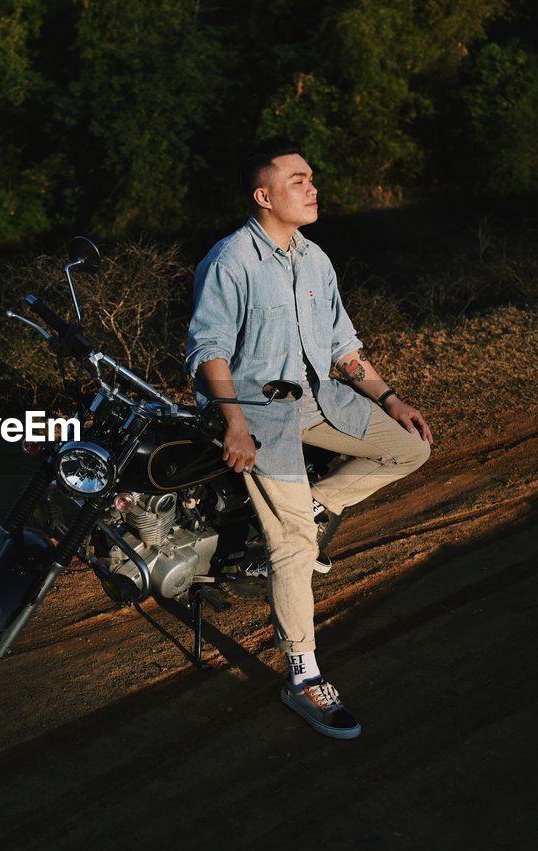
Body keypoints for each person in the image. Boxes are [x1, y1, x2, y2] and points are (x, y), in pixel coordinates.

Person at [185, 137, 432, 739]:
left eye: (312, 178)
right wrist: (235, 423)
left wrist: (392, 398)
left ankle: (318, 505)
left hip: (320, 403)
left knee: (411, 447)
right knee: (294, 547)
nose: (312, 187)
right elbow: (207, 349)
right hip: (256, 415)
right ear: (263, 195)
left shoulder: (315, 259)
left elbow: (345, 348)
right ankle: (304, 678)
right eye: (298, 180)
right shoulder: (231, 260)